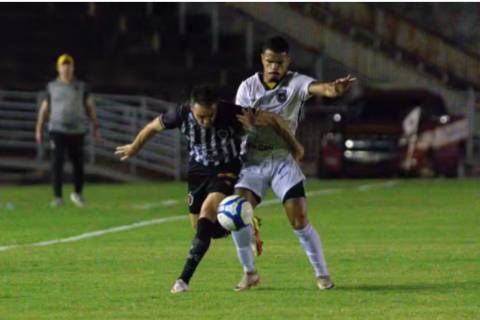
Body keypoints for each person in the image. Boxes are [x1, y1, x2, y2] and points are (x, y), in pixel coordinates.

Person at [115, 86, 304, 293]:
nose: (206, 121)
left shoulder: (232, 112)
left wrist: (291, 143)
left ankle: (183, 280)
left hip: (226, 169)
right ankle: (246, 224)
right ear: (191, 108)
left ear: (217, 108)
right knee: (203, 229)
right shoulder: (179, 114)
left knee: (208, 213)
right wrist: (135, 146)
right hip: (198, 171)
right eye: (200, 117)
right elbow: (153, 126)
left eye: (210, 116)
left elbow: (273, 119)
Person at [230, 36, 356, 291]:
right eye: (269, 62)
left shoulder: (296, 82)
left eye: (279, 62)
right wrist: (264, 120)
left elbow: (322, 88)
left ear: (287, 60)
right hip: (253, 159)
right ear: (262, 60)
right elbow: (244, 119)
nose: (274, 67)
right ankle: (249, 272)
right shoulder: (247, 87)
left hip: (281, 160)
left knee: (299, 220)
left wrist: (334, 89)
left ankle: (323, 276)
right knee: (236, 214)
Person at [35, 54, 100, 208]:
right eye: (63, 65)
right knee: (57, 163)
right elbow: (44, 109)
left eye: (69, 65)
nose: (66, 68)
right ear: (58, 68)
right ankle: (57, 196)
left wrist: (95, 127)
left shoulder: (81, 87)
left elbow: (90, 108)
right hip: (57, 130)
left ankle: (77, 193)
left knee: (78, 164)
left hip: (77, 130)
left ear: (73, 67)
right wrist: (38, 128)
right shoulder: (52, 87)